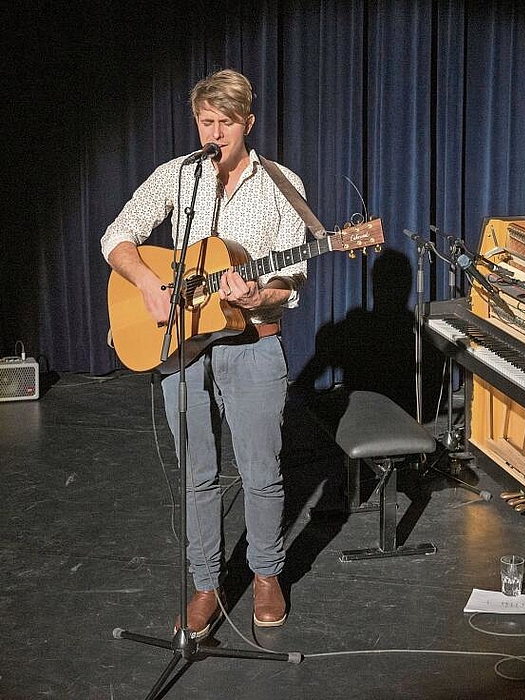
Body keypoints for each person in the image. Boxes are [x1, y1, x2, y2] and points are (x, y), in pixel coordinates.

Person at [101, 69, 307, 635]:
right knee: (198, 475)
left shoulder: (281, 185)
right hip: (183, 350)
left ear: (249, 123)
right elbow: (116, 237)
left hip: (253, 345)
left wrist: (256, 292)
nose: (214, 133)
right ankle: (205, 584)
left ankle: (266, 575)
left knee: (261, 472)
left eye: (225, 122)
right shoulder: (178, 176)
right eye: (205, 121)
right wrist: (147, 282)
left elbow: (293, 279)